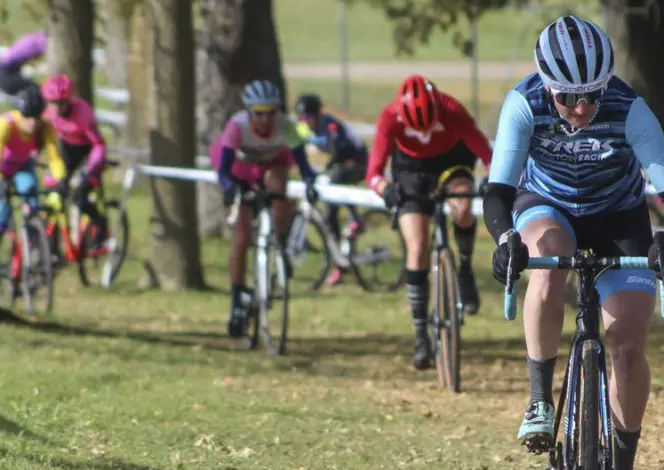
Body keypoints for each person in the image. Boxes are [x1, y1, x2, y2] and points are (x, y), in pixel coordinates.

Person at [481, 16, 664, 470]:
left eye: (592, 97)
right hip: (545, 206)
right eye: (568, 99)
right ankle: (539, 396)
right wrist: (505, 240)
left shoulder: (629, 108)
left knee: (626, 341)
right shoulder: (523, 103)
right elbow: (498, 193)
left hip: (617, 216)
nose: (581, 109)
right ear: (546, 87)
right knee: (549, 257)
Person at [366, 74, 492, 371]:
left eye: (429, 123)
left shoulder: (453, 111)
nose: (424, 131)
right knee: (418, 246)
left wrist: (491, 178)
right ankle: (421, 334)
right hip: (411, 169)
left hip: (452, 161)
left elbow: (488, 155)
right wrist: (385, 189)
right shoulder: (389, 119)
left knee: (462, 207)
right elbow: (373, 172)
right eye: (415, 127)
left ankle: (464, 268)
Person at [210, 79, 320, 338]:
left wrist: (310, 183)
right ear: (249, 112)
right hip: (240, 171)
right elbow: (224, 170)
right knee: (241, 236)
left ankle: (279, 243)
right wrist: (231, 188)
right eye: (259, 113)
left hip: (271, 166)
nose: (265, 119)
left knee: (279, 183)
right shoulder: (237, 127)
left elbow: (304, 168)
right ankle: (237, 298)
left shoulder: (287, 127)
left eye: (271, 112)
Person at [293, 93, 370, 287]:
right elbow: (297, 148)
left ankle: (356, 220)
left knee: (335, 182)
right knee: (331, 204)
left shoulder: (331, 126)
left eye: (309, 117)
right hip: (339, 165)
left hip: (358, 162)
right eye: (302, 118)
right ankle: (339, 263)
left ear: (317, 115)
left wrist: (327, 168)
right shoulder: (302, 129)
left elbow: (340, 151)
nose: (306, 121)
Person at [0, 85, 68, 256]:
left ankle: (34, 249)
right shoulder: (5, 124)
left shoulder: (45, 126)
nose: (32, 123)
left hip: (22, 166)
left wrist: (60, 178)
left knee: (33, 205)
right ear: (20, 113)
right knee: (2, 213)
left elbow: (54, 157)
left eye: (36, 117)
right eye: (27, 117)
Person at [41, 74, 109, 249]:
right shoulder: (46, 113)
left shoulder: (83, 112)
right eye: (52, 102)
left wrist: (91, 169)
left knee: (78, 190)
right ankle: (51, 248)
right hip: (66, 151)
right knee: (53, 190)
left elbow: (99, 144)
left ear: (68, 101)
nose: (56, 107)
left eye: (60, 103)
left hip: (88, 152)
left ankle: (100, 223)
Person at [0, 30, 48, 97]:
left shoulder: (33, 36)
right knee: (37, 92)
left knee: (35, 92)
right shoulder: (42, 41)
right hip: (6, 74)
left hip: (3, 72)